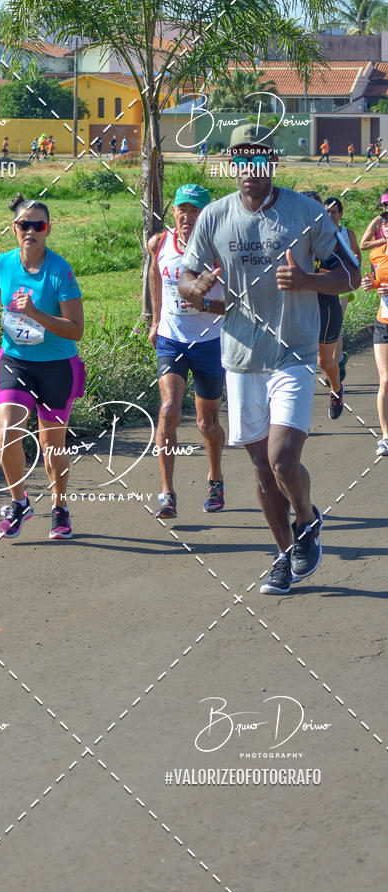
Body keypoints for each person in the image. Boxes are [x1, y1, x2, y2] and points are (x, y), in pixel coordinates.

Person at [178, 123, 360, 595]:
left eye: (259, 158)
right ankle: (283, 554)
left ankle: (306, 520)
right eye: (242, 159)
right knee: (260, 467)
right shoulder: (215, 216)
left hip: (293, 354)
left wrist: (307, 281)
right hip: (240, 357)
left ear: (272, 162)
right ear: (233, 163)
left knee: (281, 459)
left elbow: (352, 274)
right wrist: (194, 289)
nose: (250, 168)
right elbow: (187, 277)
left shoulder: (306, 212)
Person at [0, 193, 85, 539]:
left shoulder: (60, 271)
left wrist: (35, 313)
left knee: (52, 449)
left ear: (47, 229)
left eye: (38, 225)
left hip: (56, 366)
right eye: (24, 225)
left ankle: (60, 506)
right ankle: (19, 502)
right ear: (14, 228)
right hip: (15, 362)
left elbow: (76, 329)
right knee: (7, 433)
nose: (30, 231)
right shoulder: (2, 264)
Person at [147, 184, 226, 518]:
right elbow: (154, 275)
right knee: (168, 410)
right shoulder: (159, 243)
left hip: (210, 343)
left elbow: (239, 302)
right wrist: (154, 319)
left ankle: (215, 478)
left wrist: (204, 303)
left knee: (207, 424)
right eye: (182, 209)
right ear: (174, 212)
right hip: (172, 339)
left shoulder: (220, 250)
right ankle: (167, 493)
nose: (187, 216)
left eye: (195, 210)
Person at [301, 190, 345, 419]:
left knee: (324, 361)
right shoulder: (287, 237)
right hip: (296, 308)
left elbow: (344, 275)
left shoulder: (330, 238)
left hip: (325, 304)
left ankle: (336, 389)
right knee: (296, 362)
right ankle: (294, 417)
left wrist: (309, 275)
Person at [324, 196, 361, 382]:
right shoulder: (318, 233)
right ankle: (330, 361)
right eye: (327, 211)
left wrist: (351, 268)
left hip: (342, 286)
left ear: (340, 214)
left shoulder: (348, 233)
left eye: (333, 211)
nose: (330, 214)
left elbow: (357, 256)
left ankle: (336, 363)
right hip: (322, 285)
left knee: (335, 325)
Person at [361, 213, 388, 456]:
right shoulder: (376, 254)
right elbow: (376, 282)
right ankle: (386, 437)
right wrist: (370, 284)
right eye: (386, 224)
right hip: (384, 323)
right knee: (385, 379)